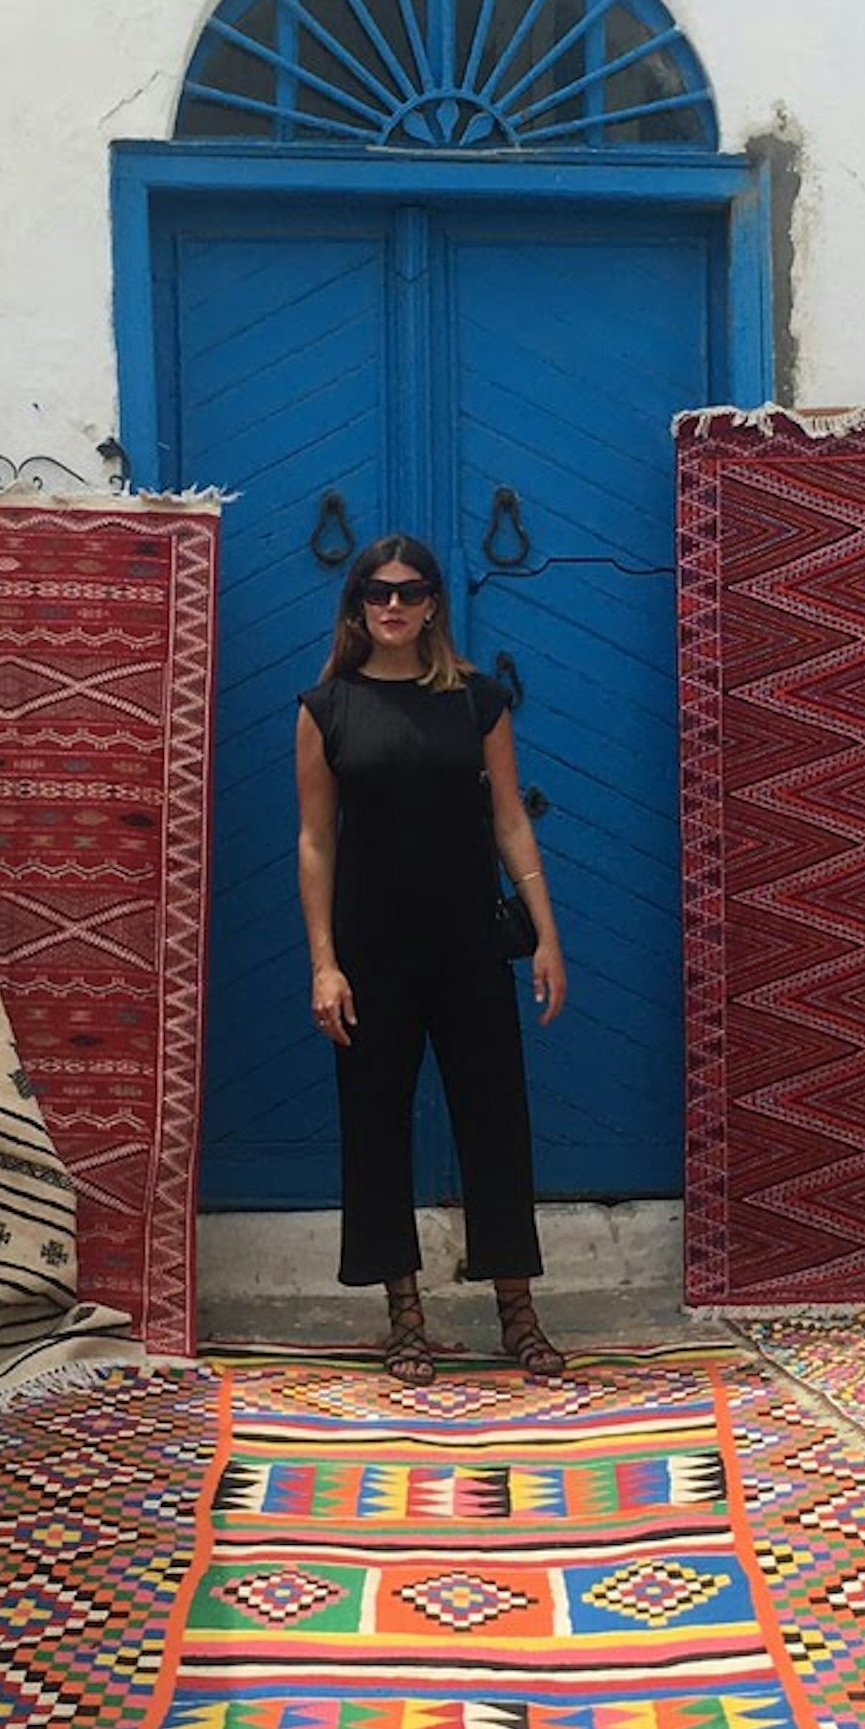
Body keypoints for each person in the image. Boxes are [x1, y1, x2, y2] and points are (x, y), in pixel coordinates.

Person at [296, 535, 568, 1382]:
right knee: (374, 1127)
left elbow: (510, 820)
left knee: (497, 1121)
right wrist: (324, 963)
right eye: (377, 593)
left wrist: (546, 934)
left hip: (467, 945)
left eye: (410, 593)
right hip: (371, 950)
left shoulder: (478, 702)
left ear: (433, 606)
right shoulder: (325, 707)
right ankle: (403, 1317)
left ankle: (517, 1314)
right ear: (356, 606)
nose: (393, 607)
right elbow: (314, 842)